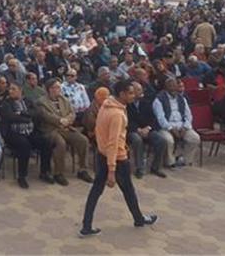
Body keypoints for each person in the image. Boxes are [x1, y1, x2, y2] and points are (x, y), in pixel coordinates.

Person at [79, 79, 158, 237]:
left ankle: (87, 225)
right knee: (127, 190)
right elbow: (113, 143)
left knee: (98, 191)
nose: (134, 95)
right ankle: (138, 219)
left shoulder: (106, 104)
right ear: (122, 94)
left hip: (102, 154)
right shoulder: (117, 114)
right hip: (116, 158)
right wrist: (112, 170)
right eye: (130, 93)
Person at [34, 78, 93, 186]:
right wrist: (60, 120)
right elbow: (45, 116)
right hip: (51, 129)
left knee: (83, 140)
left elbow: (72, 112)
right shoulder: (41, 102)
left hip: (66, 127)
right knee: (61, 144)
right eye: (55, 87)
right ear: (49, 89)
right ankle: (58, 173)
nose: (57, 90)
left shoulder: (64, 99)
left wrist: (68, 120)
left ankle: (82, 170)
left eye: (58, 87)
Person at [0, 84, 54, 188]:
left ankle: (45, 172)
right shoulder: (6, 103)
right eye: (9, 89)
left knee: (46, 142)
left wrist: (22, 113)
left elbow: (38, 113)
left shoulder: (28, 101)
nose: (10, 91)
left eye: (13, 89)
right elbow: (10, 117)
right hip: (13, 133)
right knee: (25, 145)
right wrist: (27, 117)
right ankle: (22, 176)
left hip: (30, 131)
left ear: (20, 90)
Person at [152, 78, 201, 168]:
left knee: (195, 138)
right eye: (170, 86)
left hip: (181, 126)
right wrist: (171, 129)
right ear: (166, 88)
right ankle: (170, 162)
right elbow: (161, 118)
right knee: (169, 140)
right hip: (165, 127)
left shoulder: (182, 99)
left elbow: (188, 115)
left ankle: (184, 160)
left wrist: (185, 127)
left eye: (175, 86)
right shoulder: (159, 100)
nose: (173, 89)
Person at [126, 82, 167, 178]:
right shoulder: (126, 104)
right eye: (138, 90)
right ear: (132, 91)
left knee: (161, 140)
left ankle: (155, 167)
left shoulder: (146, 102)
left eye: (141, 89)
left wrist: (147, 128)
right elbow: (127, 121)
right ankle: (139, 168)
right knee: (137, 140)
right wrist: (138, 130)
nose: (141, 92)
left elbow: (153, 119)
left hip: (147, 129)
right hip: (132, 130)